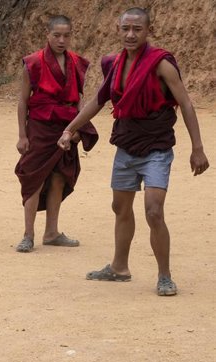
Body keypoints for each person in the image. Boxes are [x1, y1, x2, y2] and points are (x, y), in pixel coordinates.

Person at [57, 7, 210, 296]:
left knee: (154, 211)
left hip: (156, 147)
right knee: (120, 208)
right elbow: (98, 100)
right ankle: (119, 267)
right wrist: (69, 129)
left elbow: (186, 104)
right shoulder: (115, 63)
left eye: (137, 29)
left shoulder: (161, 64)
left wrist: (198, 148)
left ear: (147, 31)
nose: (130, 34)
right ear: (118, 29)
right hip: (126, 146)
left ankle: (164, 276)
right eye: (125, 28)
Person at [14, 15, 98, 253]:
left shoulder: (77, 62)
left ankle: (51, 232)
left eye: (66, 35)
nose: (62, 40)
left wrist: (77, 128)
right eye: (57, 35)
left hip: (67, 128)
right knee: (34, 179)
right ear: (47, 35)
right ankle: (28, 235)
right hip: (40, 128)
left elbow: (80, 99)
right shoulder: (33, 63)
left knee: (60, 178)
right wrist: (22, 135)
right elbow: (22, 101)